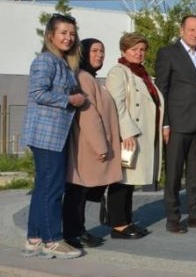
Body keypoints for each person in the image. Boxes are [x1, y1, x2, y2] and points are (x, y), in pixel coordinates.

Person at [21, 13, 85, 259]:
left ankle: (34, 238)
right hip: (46, 136)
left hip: (54, 135)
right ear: (50, 36)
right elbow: (38, 93)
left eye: (72, 33)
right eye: (63, 33)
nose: (69, 37)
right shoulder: (46, 61)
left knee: (44, 187)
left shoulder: (63, 62)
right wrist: (70, 99)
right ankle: (52, 240)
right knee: (52, 187)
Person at [155, 15, 196, 233]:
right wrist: (165, 123)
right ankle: (173, 217)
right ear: (182, 30)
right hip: (177, 124)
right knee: (174, 174)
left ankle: (195, 215)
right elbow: (162, 91)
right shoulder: (168, 53)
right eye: (191, 30)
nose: (195, 34)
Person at [63, 39, 123, 248]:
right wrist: (101, 146)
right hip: (86, 147)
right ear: (83, 53)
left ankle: (78, 231)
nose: (99, 55)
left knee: (81, 192)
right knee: (77, 192)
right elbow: (89, 116)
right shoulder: (82, 77)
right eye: (94, 51)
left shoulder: (91, 78)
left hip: (91, 146)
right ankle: (74, 233)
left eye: (102, 51)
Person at [105, 32, 163, 240]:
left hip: (142, 135)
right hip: (129, 136)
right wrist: (126, 132)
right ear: (123, 51)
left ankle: (126, 220)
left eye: (142, 49)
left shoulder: (141, 74)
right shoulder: (118, 72)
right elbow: (116, 104)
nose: (139, 53)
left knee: (131, 182)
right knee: (121, 181)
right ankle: (118, 225)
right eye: (134, 49)